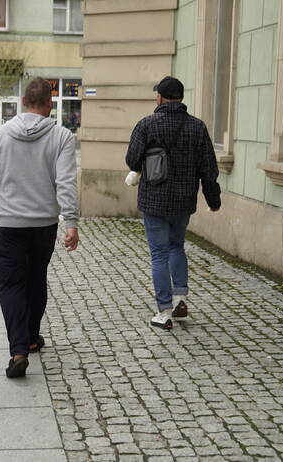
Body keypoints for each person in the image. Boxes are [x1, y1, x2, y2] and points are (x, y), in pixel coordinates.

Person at [0, 78, 80, 378]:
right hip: (43, 225)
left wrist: (3, 191)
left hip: (9, 223)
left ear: (22, 101)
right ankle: (32, 337)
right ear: (49, 104)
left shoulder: (1, 134)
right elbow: (65, 183)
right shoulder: (62, 137)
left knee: (11, 285)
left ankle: (18, 349)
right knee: (36, 279)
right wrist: (70, 223)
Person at [125, 76, 221, 330]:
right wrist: (213, 199)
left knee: (158, 254)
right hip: (183, 202)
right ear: (180, 98)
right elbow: (208, 168)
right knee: (177, 247)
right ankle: (180, 298)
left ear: (160, 97)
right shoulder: (197, 127)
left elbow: (132, 159)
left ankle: (164, 311)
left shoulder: (146, 125)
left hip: (154, 200)